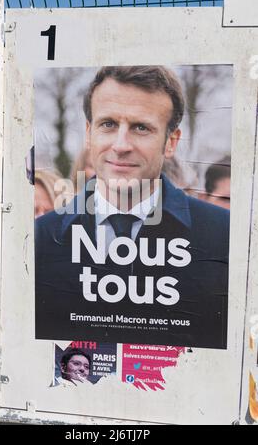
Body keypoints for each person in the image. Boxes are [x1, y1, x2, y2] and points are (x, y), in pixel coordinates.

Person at [35, 66, 230, 350]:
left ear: (171, 142)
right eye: (108, 124)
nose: (121, 145)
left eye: (141, 127)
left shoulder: (223, 237)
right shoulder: (39, 239)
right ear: (89, 134)